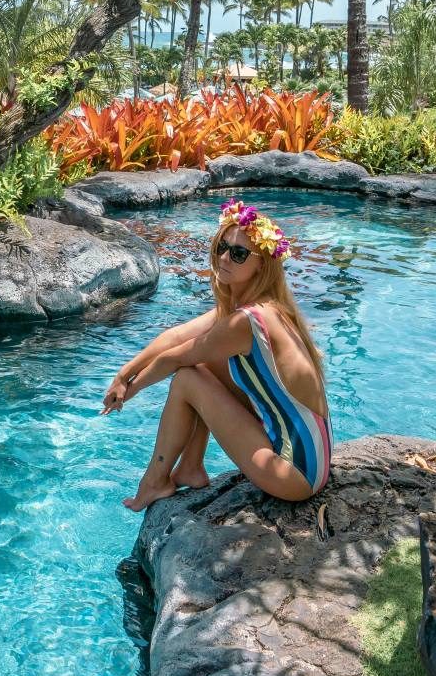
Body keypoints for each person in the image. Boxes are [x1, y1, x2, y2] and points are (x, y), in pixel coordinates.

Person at [104, 199, 332, 512]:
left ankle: (156, 480)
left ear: (261, 265)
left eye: (238, 254)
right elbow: (175, 336)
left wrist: (128, 392)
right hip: (310, 464)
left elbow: (174, 359)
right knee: (204, 366)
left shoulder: (245, 322)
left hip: (294, 474)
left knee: (187, 378)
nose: (224, 258)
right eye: (221, 247)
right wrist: (122, 375)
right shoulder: (267, 309)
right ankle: (190, 468)